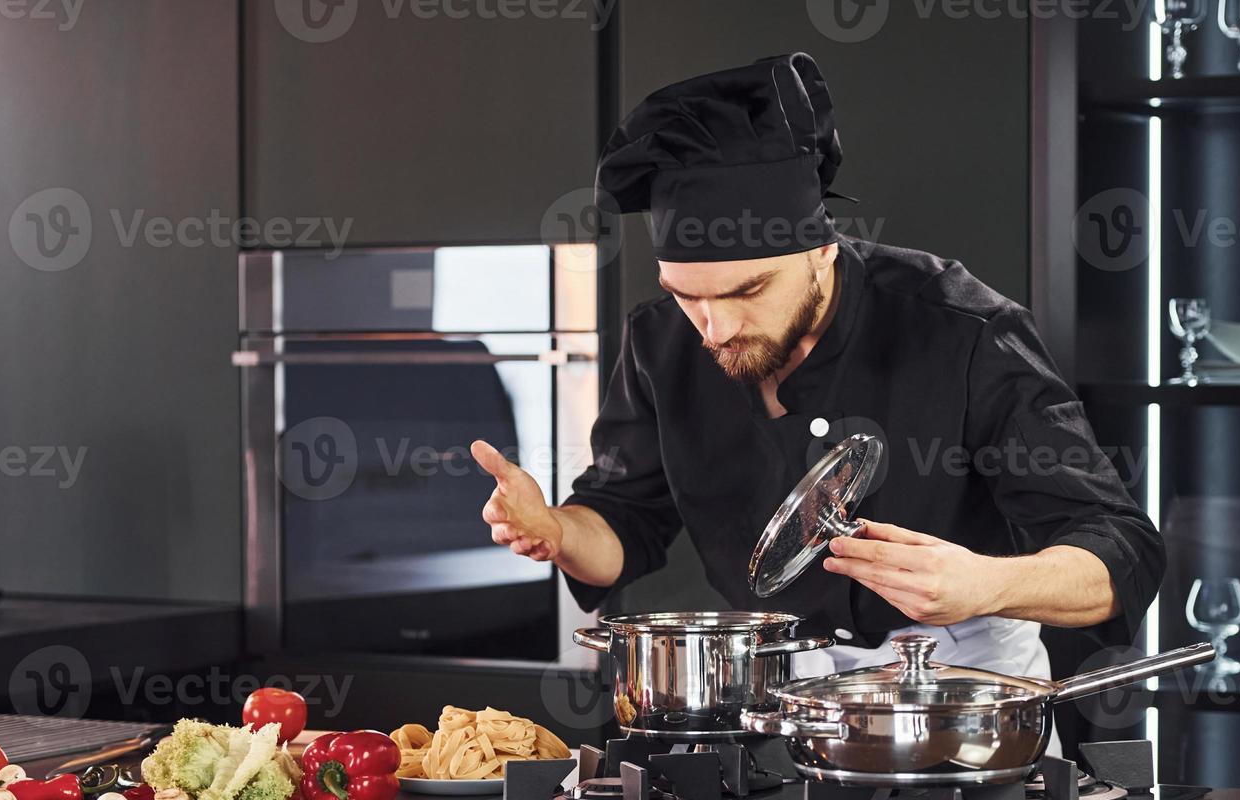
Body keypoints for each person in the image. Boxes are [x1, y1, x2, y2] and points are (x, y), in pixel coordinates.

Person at [472, 53, 1164, 709]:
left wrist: (983, 583)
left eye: (748, 291)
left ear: (821, 252)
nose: (713, 328)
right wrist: (557, 530)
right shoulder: (659, 342)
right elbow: (623, 526)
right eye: (688, 296)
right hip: (772, 690)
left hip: (964, 689)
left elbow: (1122, 549)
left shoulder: (964, 331)